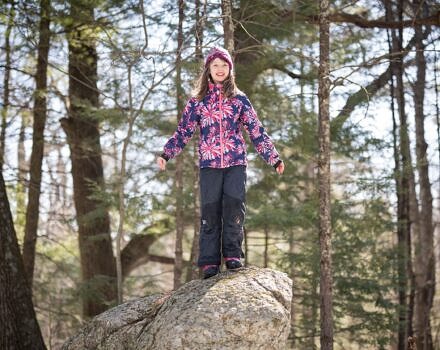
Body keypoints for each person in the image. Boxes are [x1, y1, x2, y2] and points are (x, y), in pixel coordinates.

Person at [157, 46, 284, 279]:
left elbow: (256, 131)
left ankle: (233, 255)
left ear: (230, 70)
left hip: (236, 162)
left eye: (224, 65)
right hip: (209, 165)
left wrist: (273, 157)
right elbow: (183, 131)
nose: (219, 69)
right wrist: (166, 154)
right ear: (208, 69)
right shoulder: (198, 102)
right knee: (210, 211)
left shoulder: (239, 100)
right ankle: (209, 262)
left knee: (234, 206)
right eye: (215, 65)